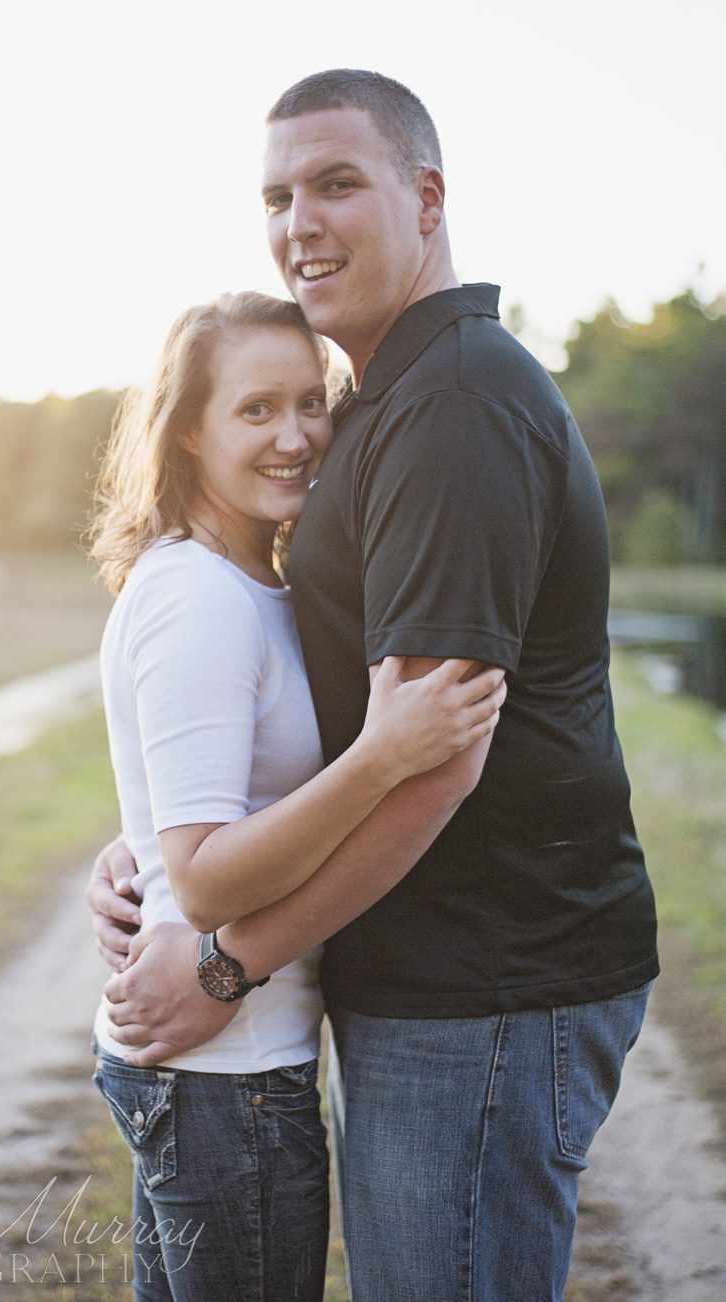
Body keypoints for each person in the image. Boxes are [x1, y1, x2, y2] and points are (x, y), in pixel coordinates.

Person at [89, 71, 659, 1302]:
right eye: (277, 195)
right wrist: (153, 845)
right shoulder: (387, 399)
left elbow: (433, 759)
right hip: (437, 981)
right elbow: (323, 709)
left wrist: (226, 964)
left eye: (337, 183)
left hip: (488, 987)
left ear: (427, 196)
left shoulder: (452, 403)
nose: (300, 221)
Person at [87, 289, 506, 1302]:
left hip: (224, 1074)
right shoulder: (199, 598)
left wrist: (130, 848)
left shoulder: (244, 584)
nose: (293, 436)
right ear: (187, 429)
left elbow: (195, 808)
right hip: (226, 1079)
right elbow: (204, 876)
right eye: (254, 410)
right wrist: (379, 755)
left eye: (308, 402)